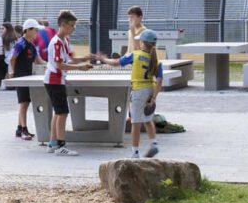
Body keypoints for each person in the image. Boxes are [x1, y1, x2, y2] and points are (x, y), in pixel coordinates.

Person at [42, 9, 103, 155]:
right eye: (72, 25)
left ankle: (52, 144)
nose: (74, 28)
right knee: (62, 113)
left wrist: (85, 58)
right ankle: (61, 146)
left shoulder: (65, 40)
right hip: (54, 81)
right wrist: (80, 68)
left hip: (58, 80)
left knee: (58, 112)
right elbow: (60, 65)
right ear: (63, 24)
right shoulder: (56, 42)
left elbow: (71, 59)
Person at [111, 29, 164, 158]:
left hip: (138, 91)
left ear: (142, 43)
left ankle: (135, 152)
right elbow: (159, 80)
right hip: (150, 91)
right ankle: (154, 143)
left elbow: (116, 63)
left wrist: (102, 58)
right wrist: (154, 97)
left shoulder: (135, 55)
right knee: (148, 119)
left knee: (135, 123)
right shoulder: (156, 60)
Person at [6, 19, 43, 141]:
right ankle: (24, 130)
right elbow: (12, 59)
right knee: (24, 103)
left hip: (28, 77)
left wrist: (54, 65)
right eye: (35, 30)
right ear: (28, 30)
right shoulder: (20, 43)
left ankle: (19, 129)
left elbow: (39, 61)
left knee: (25, 102)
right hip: (20, 77)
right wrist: (12, 72)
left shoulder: (32, 45)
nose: (37, 33)